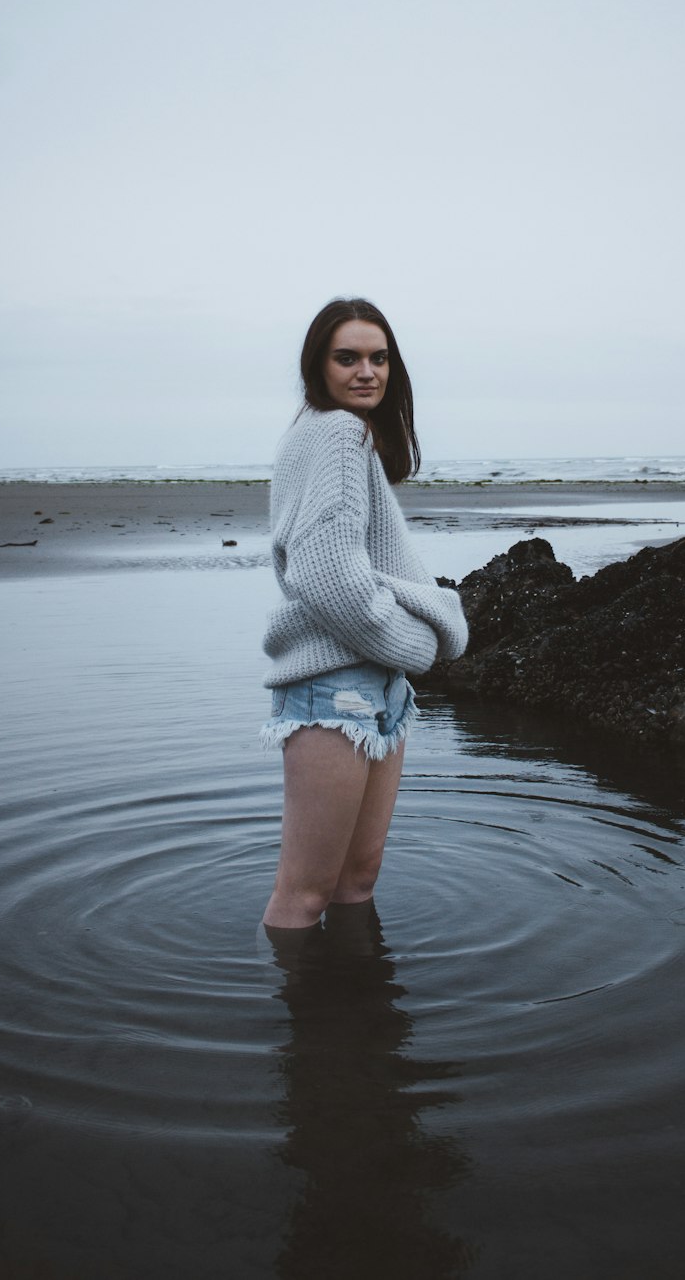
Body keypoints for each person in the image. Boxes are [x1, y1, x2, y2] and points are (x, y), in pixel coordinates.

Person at [260, 297, 469, 930]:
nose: (366, 372)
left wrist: (396, 663)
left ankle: (358, 1016)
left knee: (356, 881)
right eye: (346, 358)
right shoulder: (337, 433)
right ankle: (301, 1026)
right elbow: (327, 576)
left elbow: (342, 569)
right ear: (317, 367)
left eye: (379, 358)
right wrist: (414, 646)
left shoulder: (340, 437)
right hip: (335, 687)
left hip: (373, 683)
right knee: (306, 894)